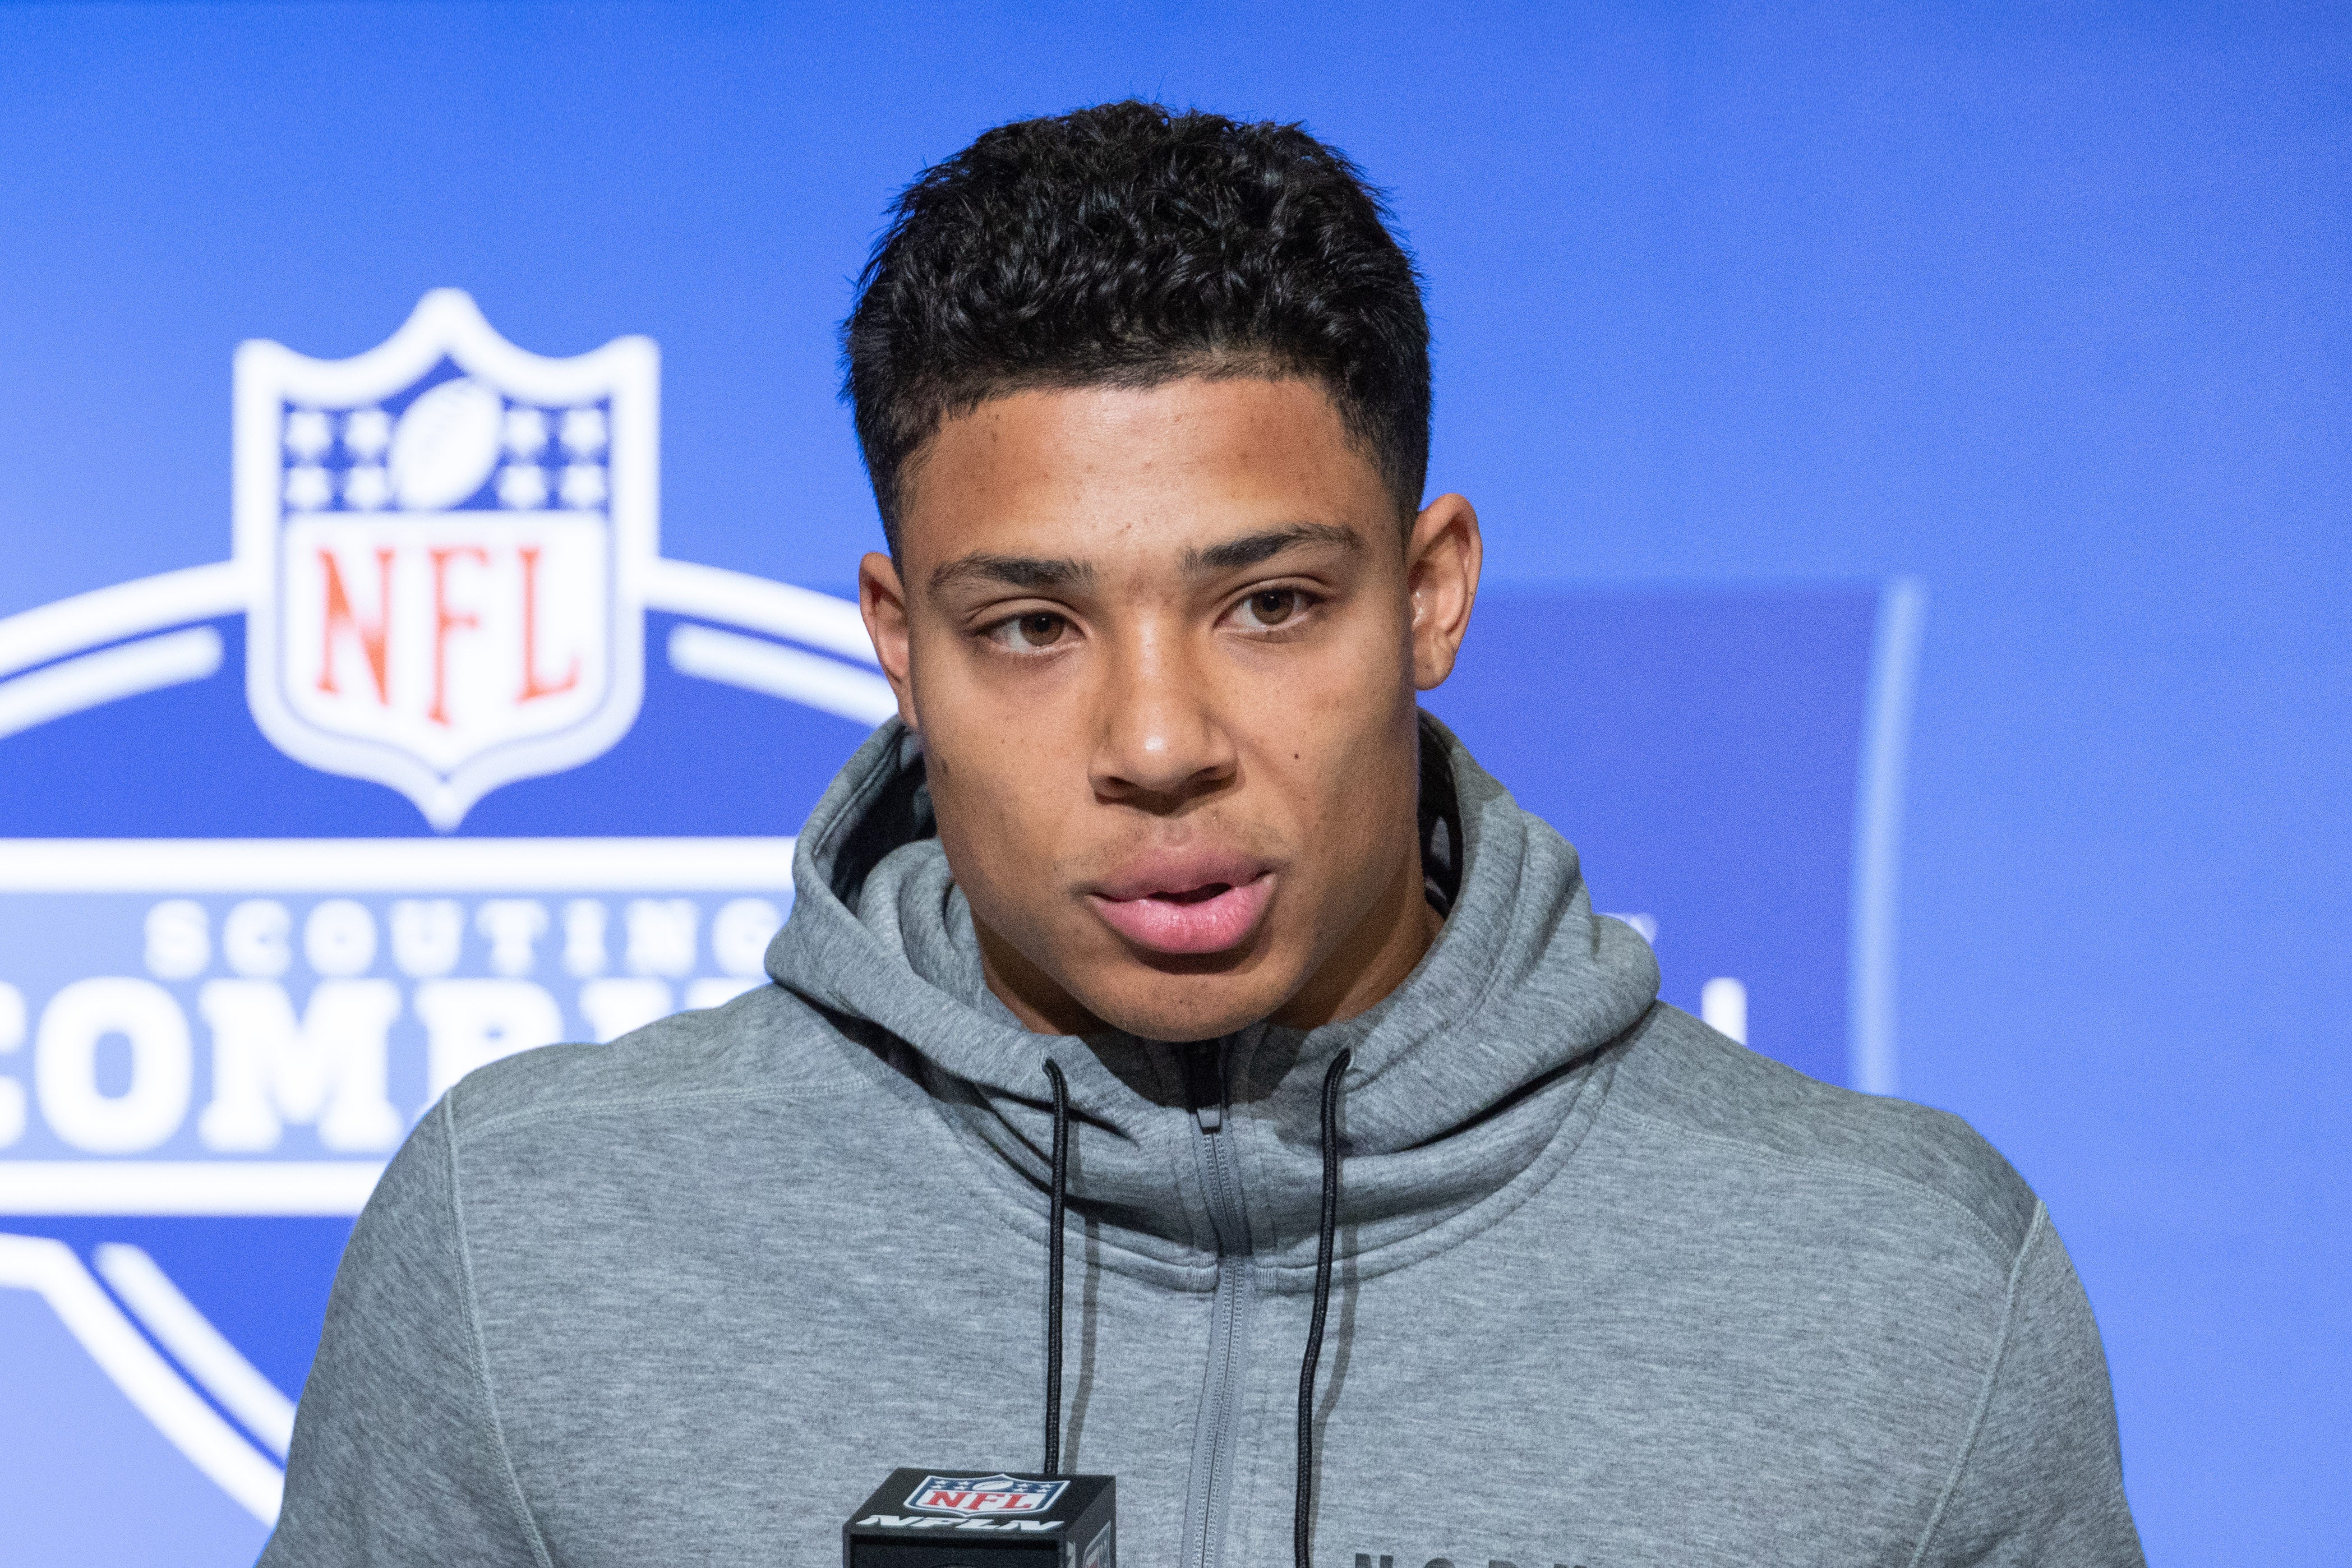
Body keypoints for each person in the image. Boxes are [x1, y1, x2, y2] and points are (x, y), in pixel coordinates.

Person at [262, 102, 2143, 1567]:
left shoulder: (1894, 1282)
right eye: (1029, 626)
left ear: (1428, 592)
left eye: (1266, 606)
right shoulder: (532, 1237)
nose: (1158, 743)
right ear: (895, 643)